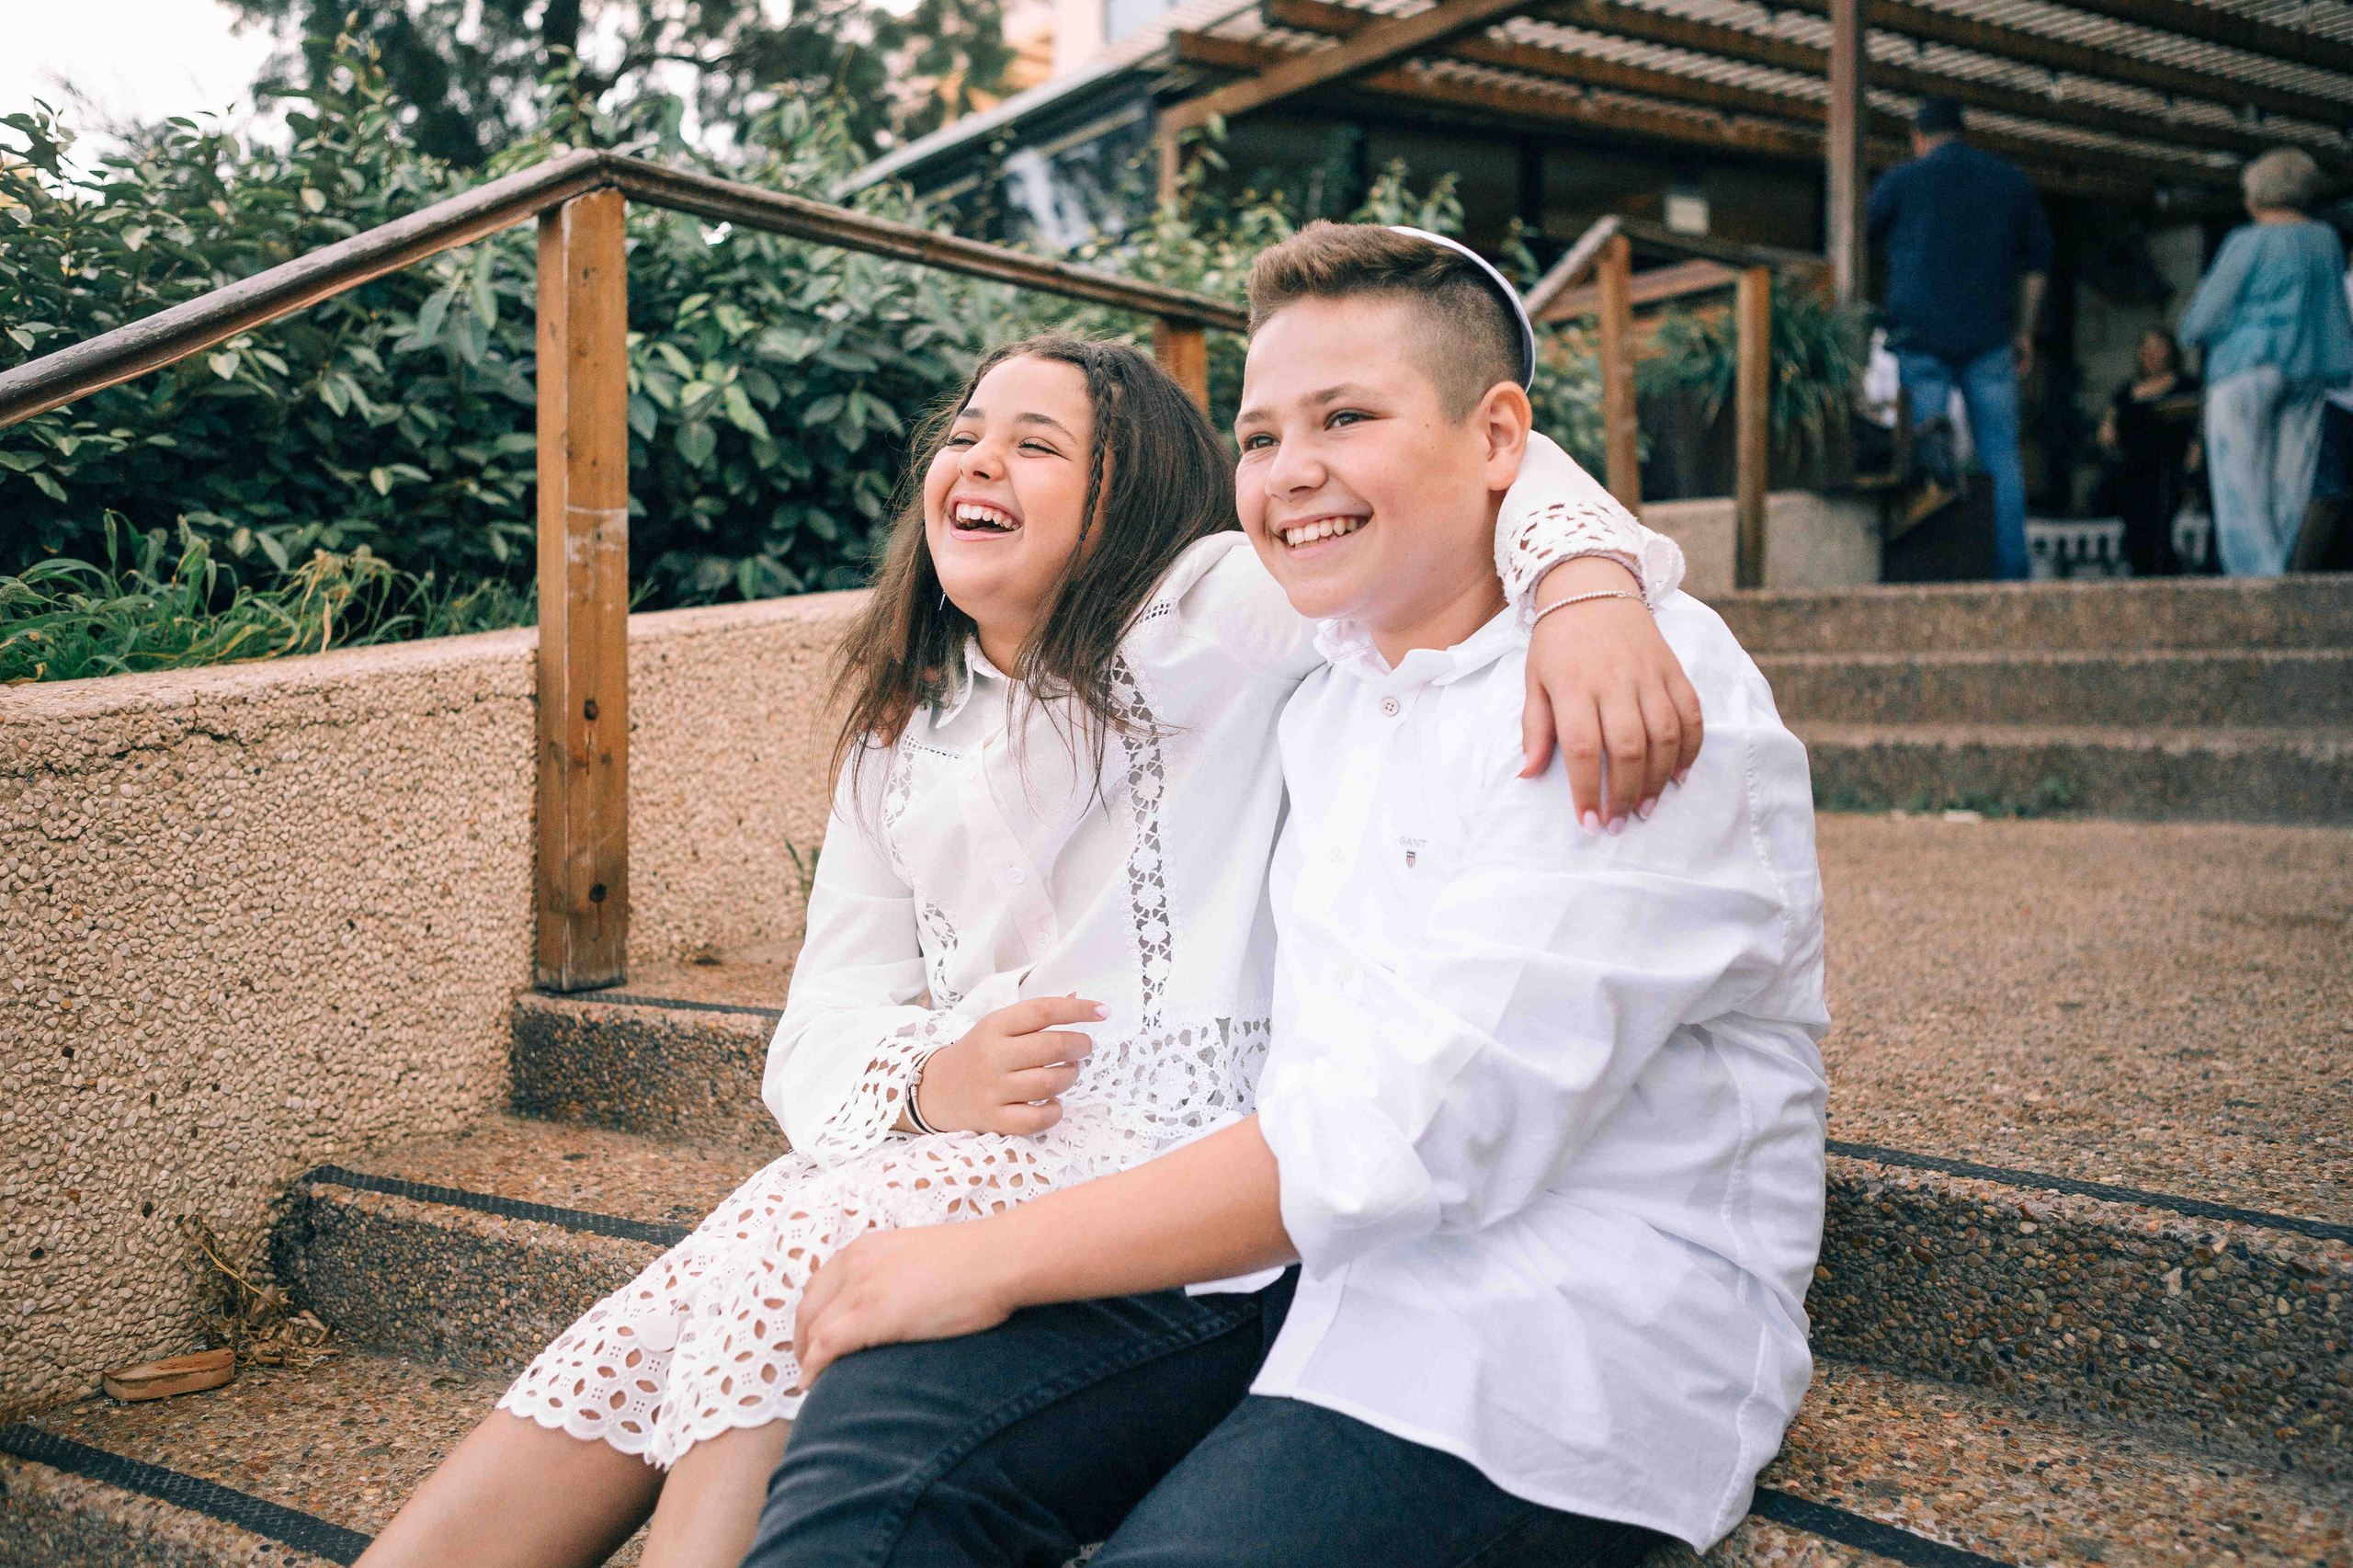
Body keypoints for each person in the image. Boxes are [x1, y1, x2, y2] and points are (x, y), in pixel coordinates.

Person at [350, 325, 1703, 1568]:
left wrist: (1587, 582)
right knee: (667, 1304)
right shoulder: (903, 730)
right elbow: (822, 1021)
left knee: (783, 1242)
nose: (977, 457)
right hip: (971, 1146)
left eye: (1037, 443)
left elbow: (1454, 470)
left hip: (1184, 1157)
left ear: (1130, 501)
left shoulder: (1214, 617)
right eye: (964, 433)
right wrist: (931, 1073)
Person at [755, 222, 1830, 1568]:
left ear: (1498, 440)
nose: (1287, 475)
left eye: (1347, 417)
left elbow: (1409, 1135)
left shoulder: (1635, 693)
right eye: (1259, 437)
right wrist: (1578, 555)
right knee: (871, 1461)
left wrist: (1589, 580)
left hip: (1547, 1343)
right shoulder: (1323, 673)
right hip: (1283, 1276)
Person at [1867, 97, 2053, 580]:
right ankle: (2010, 575)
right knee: (2000, 457)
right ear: (1962, 133)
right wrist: (2025, 332)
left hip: (1920, 336)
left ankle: (1936, 571)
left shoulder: (1902, 181)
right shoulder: (2008, 180)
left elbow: (1856, 234)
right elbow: (2037, 267)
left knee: (1931, 454)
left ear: (1918, 137)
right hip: (1991, 338)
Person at [2180, 147, 2353, 577]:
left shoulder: (2246, 241)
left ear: (2256, 196)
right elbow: (2334, 316)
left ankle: (2256, 591)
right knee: (2288, 492)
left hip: (2245, 370)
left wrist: (2193, 333)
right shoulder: (2326, 241)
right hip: (2310, 373)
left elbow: (2204, 316)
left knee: (2240, 486)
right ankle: (2279, 581)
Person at [2096, 328, 2201, 576]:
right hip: (2132, 474)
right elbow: (2107, 430)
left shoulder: (2185, 385)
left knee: (2163, 537)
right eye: (2146, 346)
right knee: (2136, 539)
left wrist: (2193, 456)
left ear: (2170, 352)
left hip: (2168, 474)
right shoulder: (2127, 391)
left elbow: (2198, 428)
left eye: (2157, 346)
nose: (2150, 352)